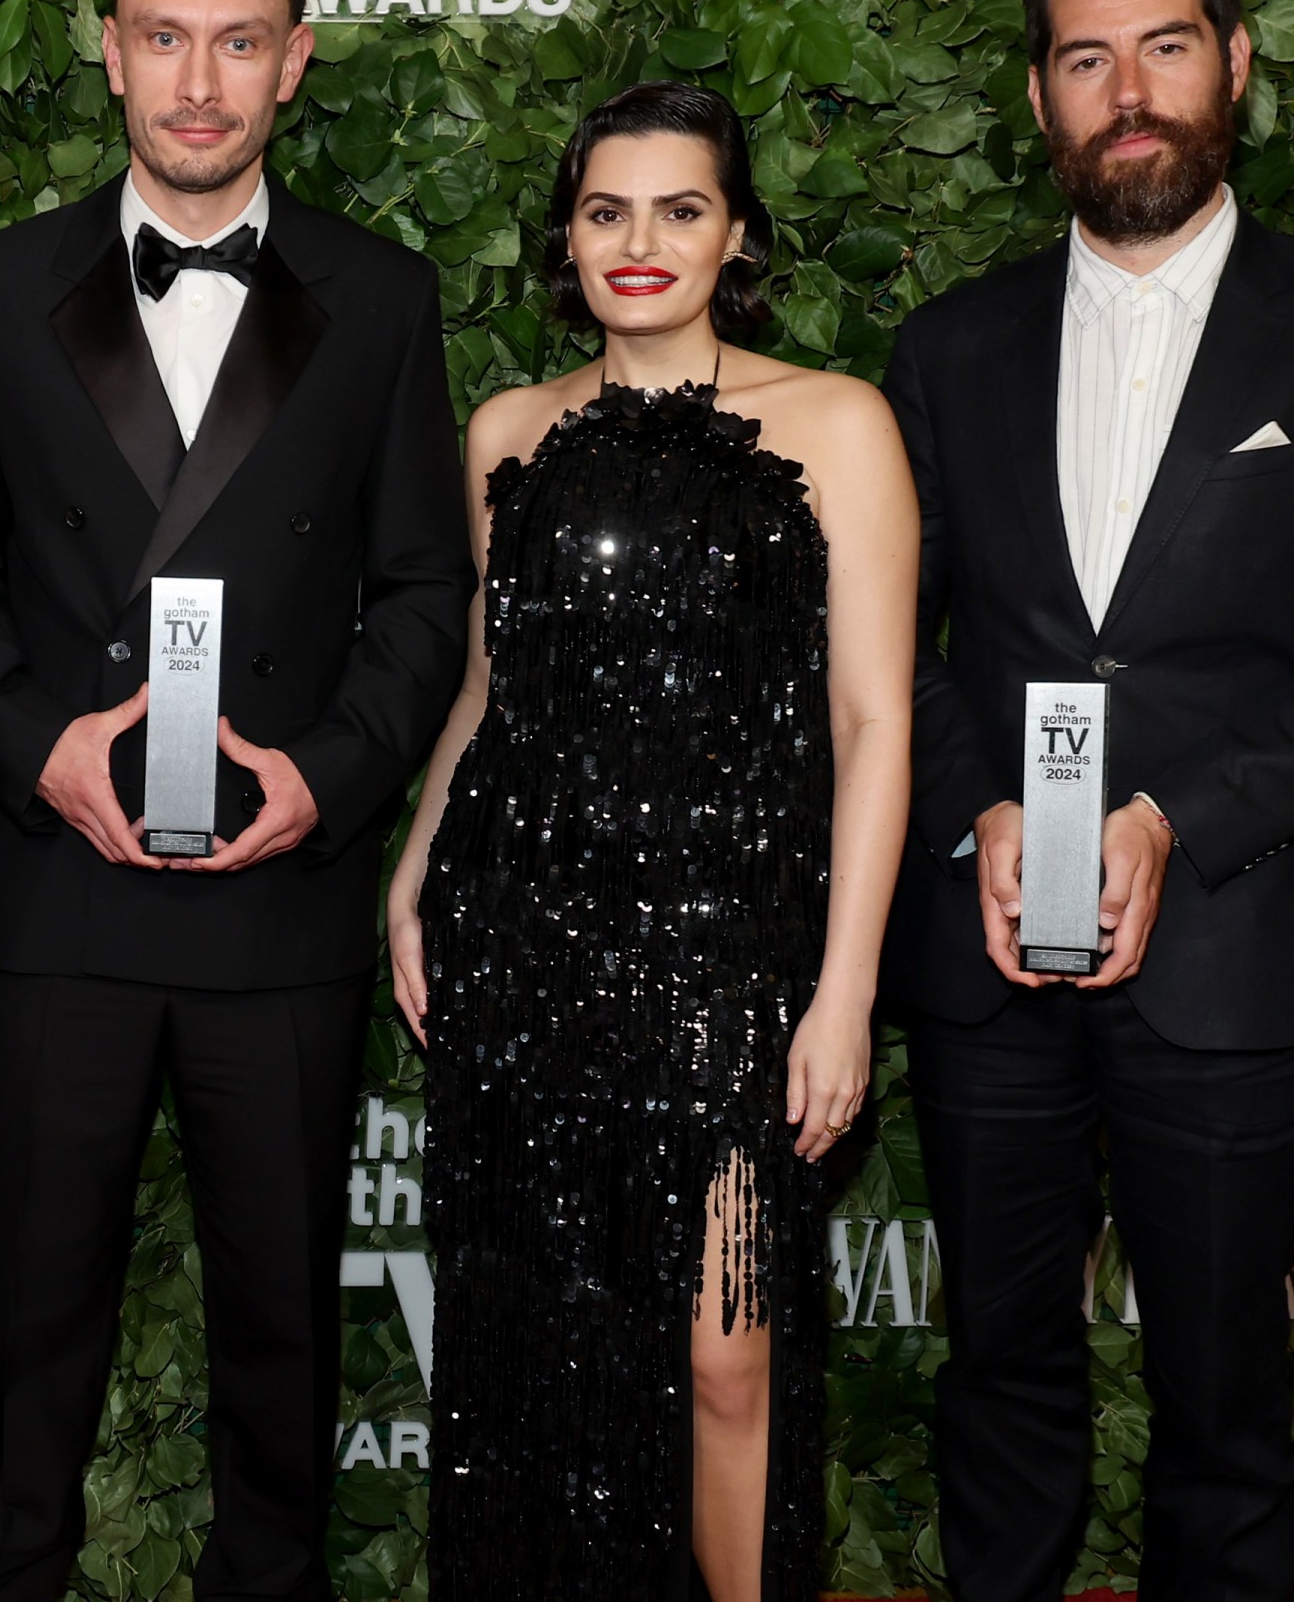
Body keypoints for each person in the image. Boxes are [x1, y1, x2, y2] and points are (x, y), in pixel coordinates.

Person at [880, 0, 1294, 1595]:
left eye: (1161, 47)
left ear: (1233, 64)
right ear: (1038, 97)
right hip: (988, 957)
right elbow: (882, 648)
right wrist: (978, 813)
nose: (1127, 93)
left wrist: (1174, 820)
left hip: (1231, 947)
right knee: (998, 1379)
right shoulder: (949, 346)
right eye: (1087, 59)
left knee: (1226, 1408)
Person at [0, 0, 475, 1594]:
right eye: (165, 35)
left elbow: (427, 589)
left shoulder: (381, 296)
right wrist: (34, 748)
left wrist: (335, 776)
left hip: (276, 900)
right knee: (33, 1310)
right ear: (109, 48)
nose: (199, 79)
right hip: (59, 891)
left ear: (297, 58)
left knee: (285, 1326)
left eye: (239, 41)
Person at [385, 81, 919, 1601]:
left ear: (735, 232)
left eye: (680, 209)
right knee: (549, 1366)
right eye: (607, 210)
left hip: (728, 960)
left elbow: (876, 722)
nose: (641, 242)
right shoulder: (509, 431)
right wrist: (417, 879)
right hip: (522, 946)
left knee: (726, 1358)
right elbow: (494, 693)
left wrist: (844, 990)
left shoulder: (833, 423)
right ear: (568, 236)